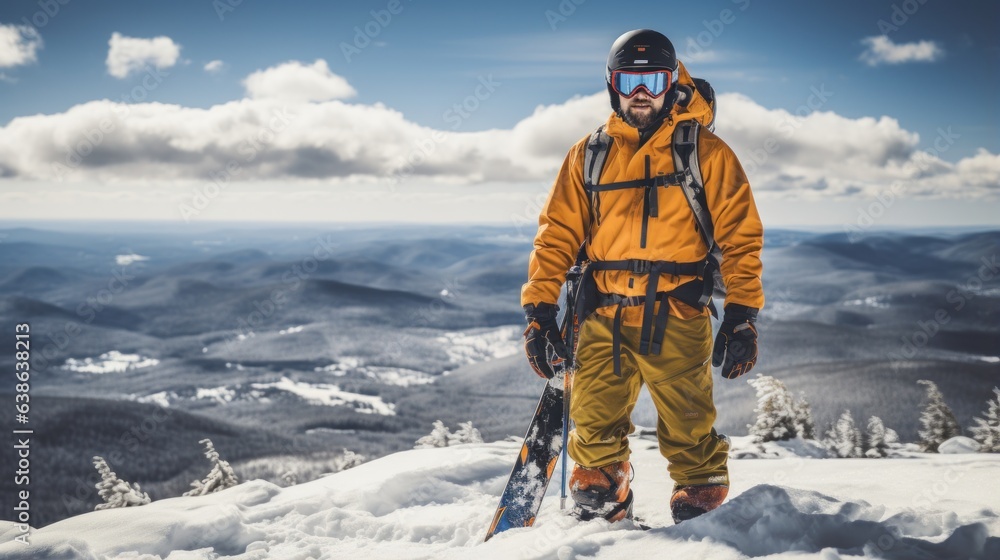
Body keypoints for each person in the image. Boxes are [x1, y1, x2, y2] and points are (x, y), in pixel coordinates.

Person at [521, 29, 764, 525]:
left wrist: (741, 315)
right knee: (591, 427)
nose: (641, 95)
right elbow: (556, 236)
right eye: (630, 81)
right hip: (602, 313)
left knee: (691, 426)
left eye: (652, 81)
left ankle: (702, 506)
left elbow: (741, 238)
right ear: (613, 85)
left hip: (677, 310)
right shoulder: (587, 155)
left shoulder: (707, 153)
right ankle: (606, 494)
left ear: (671, 83)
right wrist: (540, 311)